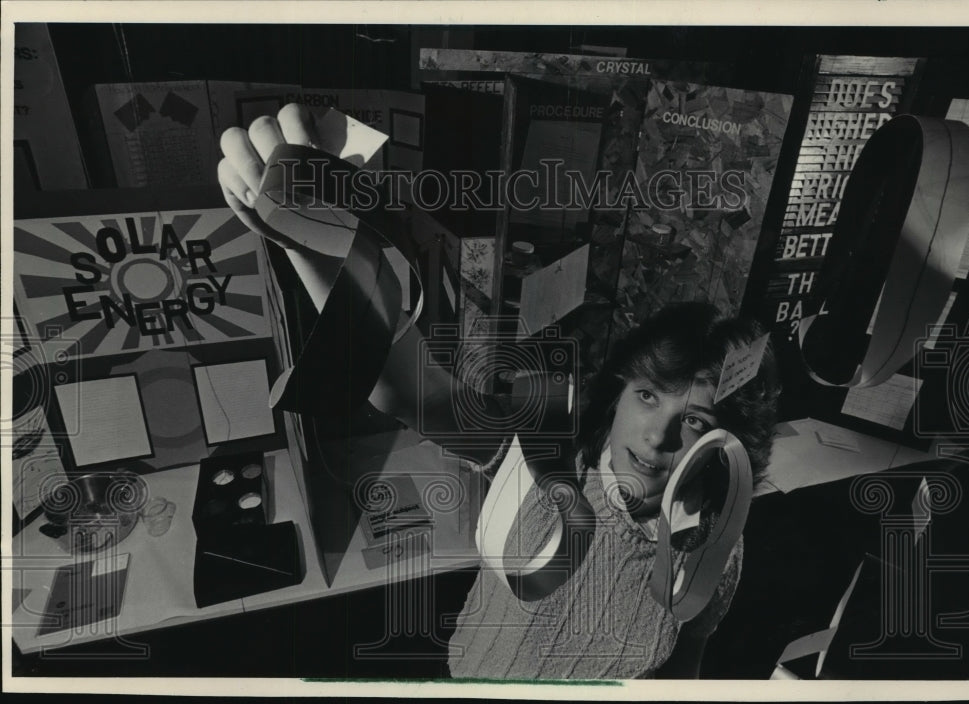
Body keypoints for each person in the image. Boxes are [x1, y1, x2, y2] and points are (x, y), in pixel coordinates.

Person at [217, 104, 781, 679]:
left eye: (694, 422)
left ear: (728, 447)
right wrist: (311, 236)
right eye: (649, 396)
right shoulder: (545, 460)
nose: (659, 436)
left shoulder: (718, 547)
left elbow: (688, 660)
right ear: (618, 392)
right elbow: (414, 392)